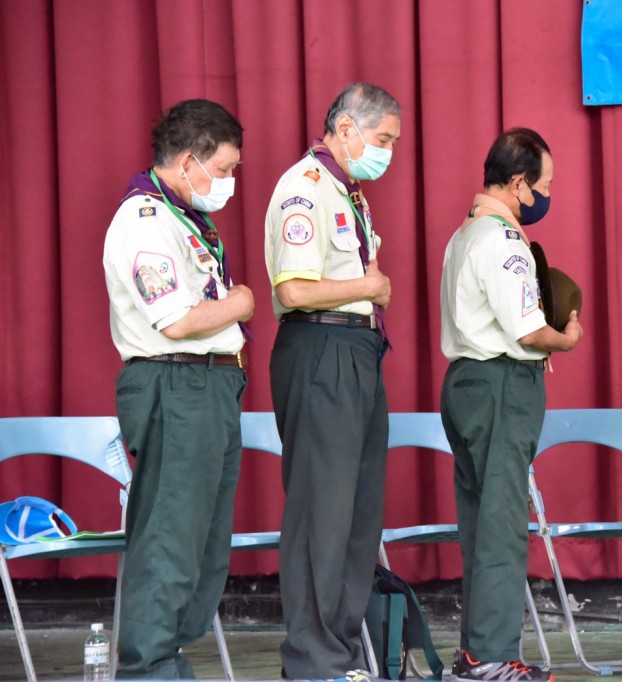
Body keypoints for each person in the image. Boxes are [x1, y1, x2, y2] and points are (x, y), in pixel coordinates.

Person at [102, 99, 252, 679]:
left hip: (209, 383)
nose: (230, 183)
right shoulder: (144, 221)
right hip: (174, 380)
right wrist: (238, 303)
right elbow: (180, 321)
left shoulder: (184, 218)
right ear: (189, 161)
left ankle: (171, 658)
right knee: (170, 537)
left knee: (205, 543)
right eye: (225, 169)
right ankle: (147, 668)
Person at [264, 82, 399, 679]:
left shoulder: (351, 194)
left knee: (357, 510)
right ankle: (312, 659)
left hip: (357, 349)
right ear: (347, 128)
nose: (388, 152)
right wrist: (368, 288)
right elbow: (292, 290)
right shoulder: (305, 188)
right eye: (383, 138)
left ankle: (339, 652)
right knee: (323, 508)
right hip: (321, 347)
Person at [440, 128, 582, 682]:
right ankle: (492, 656)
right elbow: (528, 332)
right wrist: (566, 336)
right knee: (501, 525)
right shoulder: (502, 240)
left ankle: (477, 650)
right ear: (520, 183)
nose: (546, 196)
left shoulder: (464, 234)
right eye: (543, 185)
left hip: (466, 383)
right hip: (500, 385)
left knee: (480, 522)